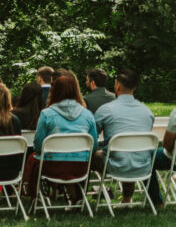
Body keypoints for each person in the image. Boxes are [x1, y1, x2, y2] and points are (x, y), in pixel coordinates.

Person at [22, 74, 97, 197]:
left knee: (33, 159)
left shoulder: (47, 114)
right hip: (80, 167)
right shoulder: (87, 115)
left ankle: (35, 195)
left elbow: (38, 146)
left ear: (55, 91)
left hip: (52, 167)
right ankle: (75, 196)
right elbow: (93, 146)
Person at [92, 69, 155, 205]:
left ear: (118, 86)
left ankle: (81, 195)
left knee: (93, 154)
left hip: (115, 166)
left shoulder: (106, 110)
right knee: (129, 152)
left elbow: (91, 136)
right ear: (135, 87)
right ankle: (127, 198)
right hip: (143, 165)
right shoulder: (147, 112)